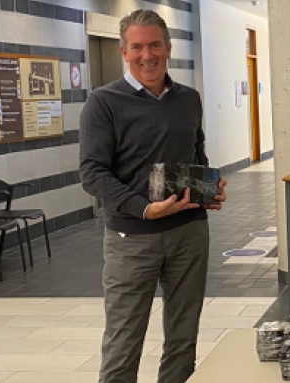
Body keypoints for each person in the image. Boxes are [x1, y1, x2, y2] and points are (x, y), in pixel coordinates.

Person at [79, 9, 227, 383]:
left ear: (168, 47)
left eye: (155, 45)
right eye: (138, 47)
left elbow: (197, 157)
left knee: (183, 337)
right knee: (123, 341)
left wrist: (211, 187)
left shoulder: (189, 99)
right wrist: (145, 210)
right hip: (132, 239)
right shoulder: (103, 102)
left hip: (190, 233)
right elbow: (92, 173)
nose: (148, 55)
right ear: (123, 51)